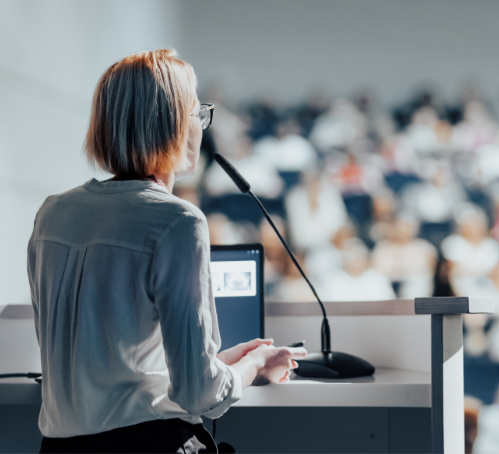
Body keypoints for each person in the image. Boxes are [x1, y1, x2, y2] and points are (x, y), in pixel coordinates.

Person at [27, 49, 306, 453]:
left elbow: (116, 375)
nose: (202, 126)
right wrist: (254, 365)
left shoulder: (52, 214)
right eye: (198, 113)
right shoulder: (178, 222)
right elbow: (201, 396)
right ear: (172, 124)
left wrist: (221, 362)